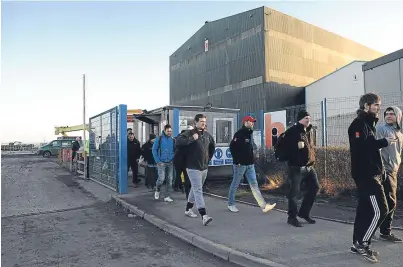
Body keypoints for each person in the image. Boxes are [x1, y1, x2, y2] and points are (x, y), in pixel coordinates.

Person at [348, 93, 396, 263]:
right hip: (365, 175)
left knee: (364, 211)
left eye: (378, 105)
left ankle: (356, 244)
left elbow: (371, 152)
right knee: (380, 210)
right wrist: (385, 142)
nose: (378, 108)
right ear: (366, 106)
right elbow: (362, 147)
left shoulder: (369, 124)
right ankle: (363, 243)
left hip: (371, 173)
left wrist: (380, 169)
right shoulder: (358, 125)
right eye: (375, 104)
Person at [228, 115, 277, 213]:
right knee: (235, 184)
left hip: (250, 164)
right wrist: (237, 161)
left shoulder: (249, 134)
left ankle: (263, 206)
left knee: (254, 185)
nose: (253, 123)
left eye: (253, 122)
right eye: (251, 122)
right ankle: (231, 204)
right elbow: (232, 147)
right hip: (240, 165)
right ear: (245, 122)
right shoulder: (239, 134)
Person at [176, 114, 215, 226]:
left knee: (195, 188)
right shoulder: (189, 133)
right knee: (198, 190)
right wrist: (192, 139)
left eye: (204, 121)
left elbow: (212, 147)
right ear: (196, 122)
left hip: (204, 167)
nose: (203, 123)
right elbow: (178, 142)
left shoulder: (207, 135)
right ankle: (204, 216)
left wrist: (208, 159)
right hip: (192, 167)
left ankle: (188, 209)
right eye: (201, 121)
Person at [283, 110, 319, 228]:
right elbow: (285, 149)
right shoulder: (292, 132)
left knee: (314, 188)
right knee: (294, 194)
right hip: (296, 168)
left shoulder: (310, 131)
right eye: (305, 118)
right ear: (299, 119)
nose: (308, 120)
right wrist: (296, 148)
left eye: (309, 118)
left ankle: (304, 213)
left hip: (309, 167)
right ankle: (291, 218)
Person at [375, 106, 403, 243]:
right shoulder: (381, 129)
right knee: (388, 203)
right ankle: (383, 232)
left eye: (392, 114)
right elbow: (375, 148)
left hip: (393, 170)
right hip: (385, 171)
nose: (388, 115)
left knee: (390, 202)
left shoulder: (398, 132)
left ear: (398, 116)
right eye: (387, 113)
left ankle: (382, 231)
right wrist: (382, 170)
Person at [152, 125, 175, 202]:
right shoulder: (159, 138)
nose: (169, 133)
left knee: (170, 179)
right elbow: (154, 149)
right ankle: (157, 190)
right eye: (168, 131)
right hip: (161, 162)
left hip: (170, 162)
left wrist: (173, 157)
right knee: (161, 179)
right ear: (164, 131)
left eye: (170, 131)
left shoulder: (172, 140)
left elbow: (174, 150)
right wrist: (157, 160)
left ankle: (167, 196)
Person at [173, 126, 193, 197]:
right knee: (185, 176)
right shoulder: (186, 139)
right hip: (183, 160)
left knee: (179, 175)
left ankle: (179, 187)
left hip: (178, 159)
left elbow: (175, 148)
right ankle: (186, 193)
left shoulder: (178, 138)